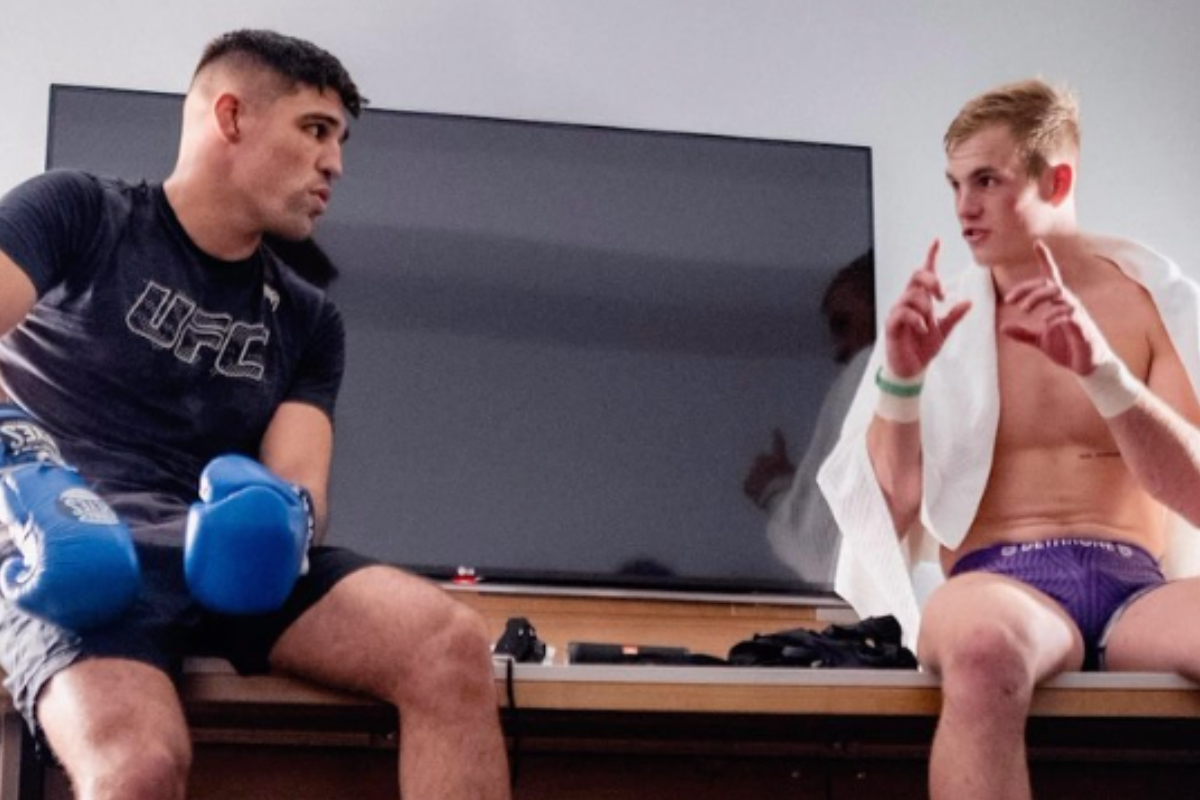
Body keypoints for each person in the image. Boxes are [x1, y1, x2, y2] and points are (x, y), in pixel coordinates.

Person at [0, 29, 510, 800]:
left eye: (339, 139)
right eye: (315, 130)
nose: (335, 163)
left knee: (447, 645)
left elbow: (301, 481)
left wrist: (282, 516)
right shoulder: (79, 212)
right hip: (77, 556)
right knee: (139, 767)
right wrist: (27, 473)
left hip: (224, 560)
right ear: (231, 117)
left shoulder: (307, 320)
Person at [818, 78, 1200, 800]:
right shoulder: (941, 320)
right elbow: (888, 512)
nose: (964, 207)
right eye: (956, 183)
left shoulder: (1152, 305)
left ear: (1056, 180)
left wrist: (1103, 372)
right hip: (999, 581)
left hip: (1136, 587)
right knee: (985, 654)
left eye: (987, 181)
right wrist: (901, 380)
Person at [742, 251, 875, 586]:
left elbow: (820, 555)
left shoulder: (874, 369)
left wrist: (773, 489)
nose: (838, 350)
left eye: (842, 324)